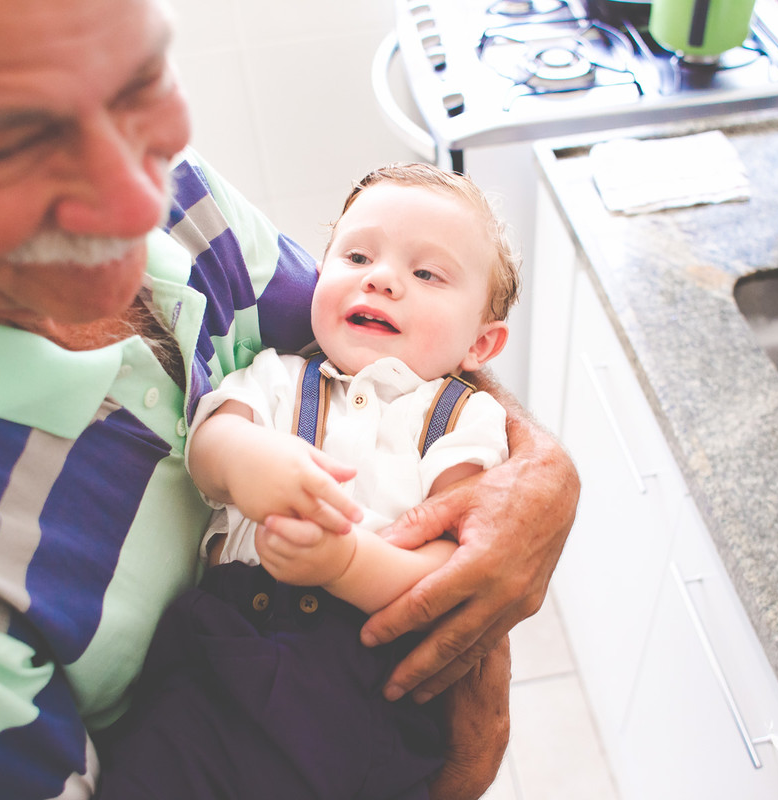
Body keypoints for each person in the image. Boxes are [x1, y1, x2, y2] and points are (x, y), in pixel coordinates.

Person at [0, 0, 579, 798]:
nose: (136, 203)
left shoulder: (164, 173)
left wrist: (543, 472)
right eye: (9, 144)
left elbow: (384, 355)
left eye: (138, 79)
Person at [99, 163, 519, 799]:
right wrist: (247, 462)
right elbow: (211, 443)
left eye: (426, 273)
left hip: (358, 684)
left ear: (481, 346)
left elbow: (453, 563)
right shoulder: (275, 375)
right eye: (356, 255)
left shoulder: (462, 418)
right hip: (218, 649)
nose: (380, 277)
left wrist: (346, 562)